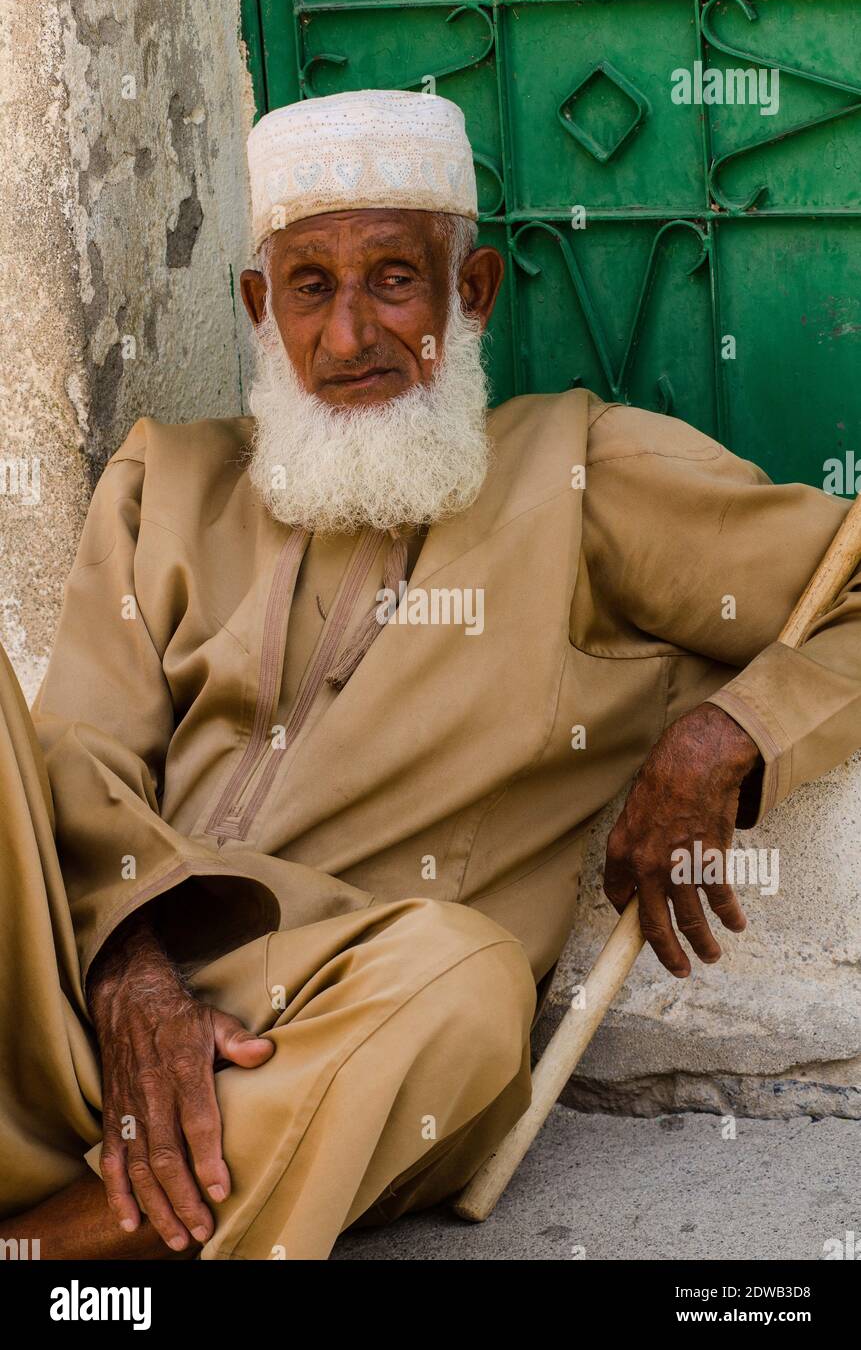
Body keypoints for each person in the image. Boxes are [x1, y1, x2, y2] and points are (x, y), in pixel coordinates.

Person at [1, 90, 858, 1260]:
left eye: (394, 280)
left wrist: (736, 730)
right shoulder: (166, 486)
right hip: (82, 1013)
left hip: (335, 1037)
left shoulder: (581, 476)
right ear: (261, 307)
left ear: (474, 292)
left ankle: (57, 1253)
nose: (350, 336)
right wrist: (130, 971)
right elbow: (74, 761)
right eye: (310, 287)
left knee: (467, 978)